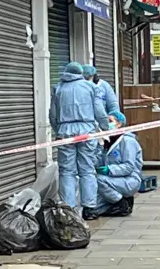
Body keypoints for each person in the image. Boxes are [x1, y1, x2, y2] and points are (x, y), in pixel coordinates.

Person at [49, 62, 109, 220]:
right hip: (86, 132)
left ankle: (69, 208)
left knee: (67, 171)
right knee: (87, 170)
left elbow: (53, 115)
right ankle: (89, 208)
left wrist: (59, 130)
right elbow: (99, 111)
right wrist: (105, 126)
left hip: (65, 132)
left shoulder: (58, 89)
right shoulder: (90, 87)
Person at [93, 111, 143, 217]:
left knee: (99, 180)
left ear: (119, 124)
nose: (107, 124)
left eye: (110, 121)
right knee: (95, 207)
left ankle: (122, 203)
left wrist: (109, 170)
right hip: (113, 180)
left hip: (129, 179)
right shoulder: (107, 141)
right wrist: (99, 146)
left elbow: (129, 166)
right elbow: (97, 162)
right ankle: (118, 204)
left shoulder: (128, 141)